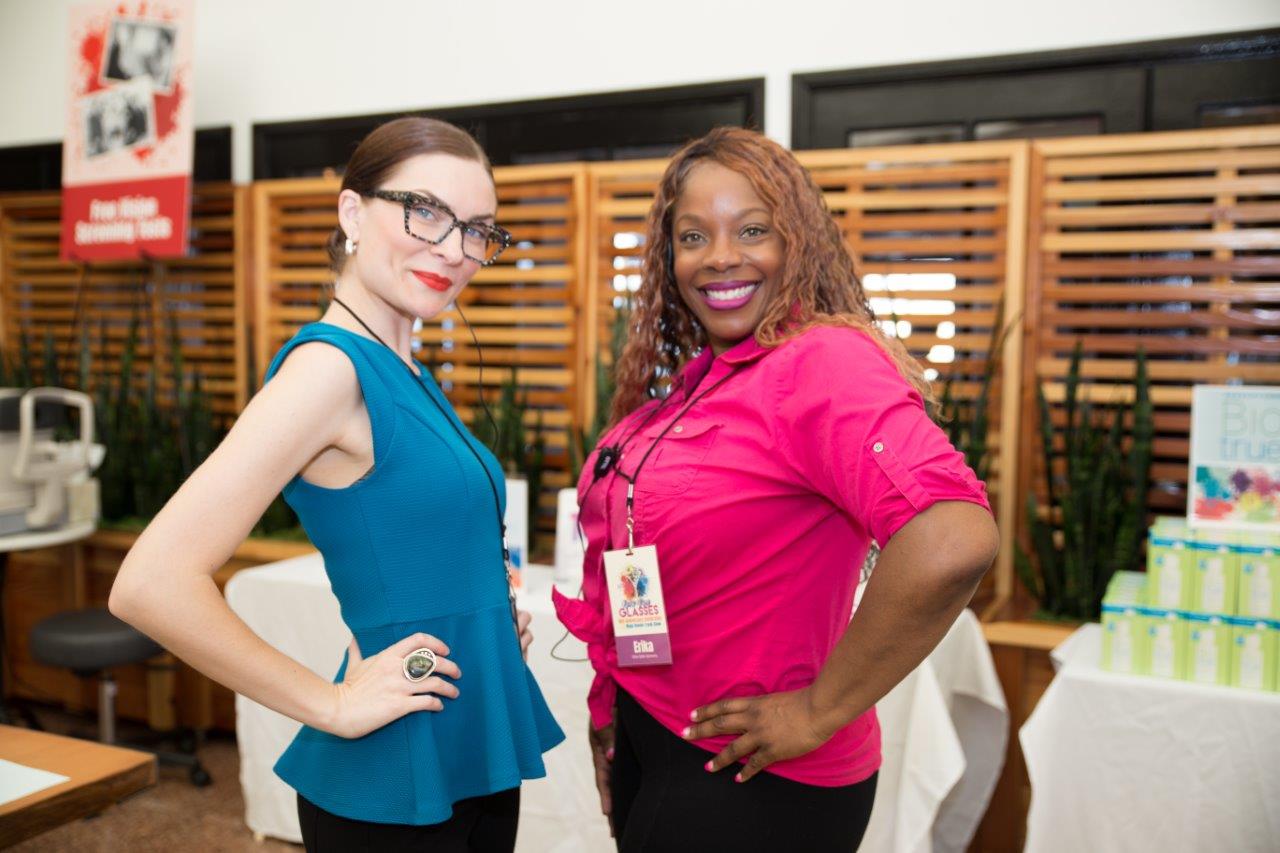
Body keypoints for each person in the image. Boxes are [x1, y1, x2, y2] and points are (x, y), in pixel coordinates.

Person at [111, 117, 564, 852]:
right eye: (426, 212)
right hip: (396, 776)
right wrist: (330, 702)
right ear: (353, 212)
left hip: (466, 740)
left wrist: (480, 617)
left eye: (478, 229)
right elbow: (150, 582)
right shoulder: (328, 370)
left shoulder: (407, 370)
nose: (454, 251)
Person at [554, 126, 999, 852]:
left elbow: (951, 537)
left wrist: (818, 711)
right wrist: (617, 705)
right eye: (693, 236)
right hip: (655, 736)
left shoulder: (821, 360)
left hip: (752, 772)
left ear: (797, 243)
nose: (721, 256)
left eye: (752, 229)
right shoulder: (700, 384)